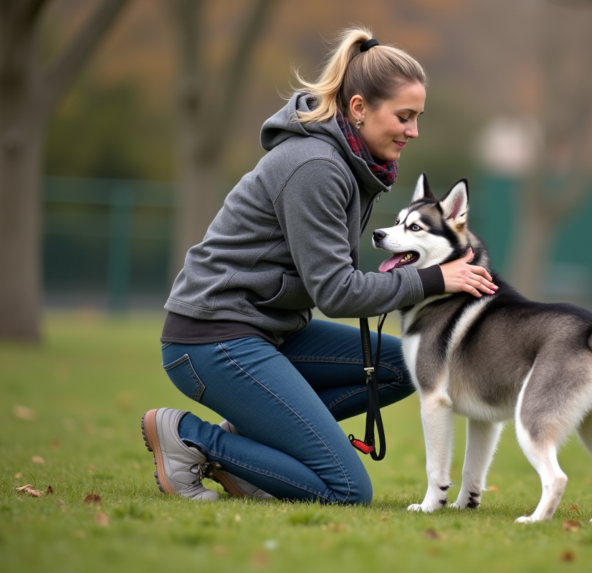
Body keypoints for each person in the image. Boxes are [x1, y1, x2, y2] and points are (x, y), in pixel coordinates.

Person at [141, 27, 497, 504]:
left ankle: (253, 456)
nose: (413, 131)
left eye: (417, 118)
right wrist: (433, 279)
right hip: (213, 339)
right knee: (346, 490)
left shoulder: (352, 163)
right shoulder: (315, 166)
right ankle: (189, 438)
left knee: (404, 366)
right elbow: (337, 292)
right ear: (359, 108)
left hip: (270, 331)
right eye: (404, 117)